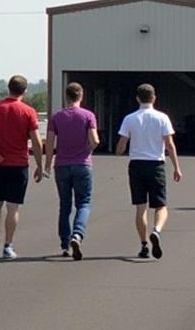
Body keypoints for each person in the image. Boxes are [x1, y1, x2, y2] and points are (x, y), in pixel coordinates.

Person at [0, 75, 44, 259]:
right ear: (25, 91)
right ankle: (8, 245)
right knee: (13, 208)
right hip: (18, 164)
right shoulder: (28, 111)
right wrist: (39, 165)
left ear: (8, 88)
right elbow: (36, 141)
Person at [115, 83, 182, 259]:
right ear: (154, 98)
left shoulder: (130, 118)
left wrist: (118, 151)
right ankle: (157, 231)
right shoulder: (162, 118)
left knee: (140, 207)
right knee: (160, 206)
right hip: (156, 164)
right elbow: (169, 144)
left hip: (136, 165)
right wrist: (176, 167)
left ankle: (144, 244)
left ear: (138, 98)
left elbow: (122, 144)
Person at [43, 82, 99, 259]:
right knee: (83, 203)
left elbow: (50, 142)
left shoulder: (57, 117)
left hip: (62, 165)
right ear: (80, 96)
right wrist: (88, 150)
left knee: (65, 205)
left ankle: (65, 244)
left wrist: (47, 165)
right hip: (82, 164)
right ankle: (77, 234)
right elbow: (95, 140)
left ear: (66, 97)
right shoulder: (88, 115)